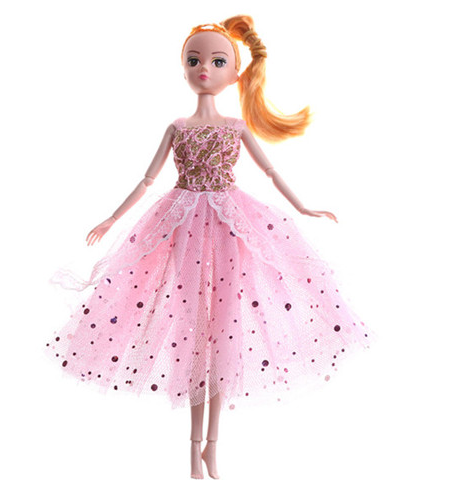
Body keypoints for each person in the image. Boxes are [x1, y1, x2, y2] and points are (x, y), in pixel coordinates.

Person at [44, 15, 376, 480]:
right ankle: (193, 450)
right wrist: (112, 218)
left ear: (235, 74)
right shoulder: (176, 127)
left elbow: (271, 173)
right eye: (194, 60)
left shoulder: (236, 127)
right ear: (183, 68)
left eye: (218, 62)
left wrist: (303, 207)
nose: (204, 68)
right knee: (190, 332)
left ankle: (210, 449)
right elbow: (147, 180)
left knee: (224, 330)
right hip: (181, 222)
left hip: (229, 223)